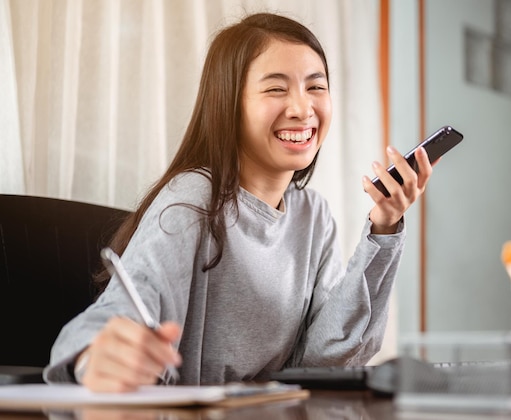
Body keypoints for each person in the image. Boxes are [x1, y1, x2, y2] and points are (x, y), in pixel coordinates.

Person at [43, 12, 434, 393]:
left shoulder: (312, 215)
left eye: (316, 86)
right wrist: (93, 357)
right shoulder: (193, 199)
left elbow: (324, 361)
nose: (302, 109)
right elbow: (117, 315)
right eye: (276, 89)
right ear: (230, 104)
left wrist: (385, 224)